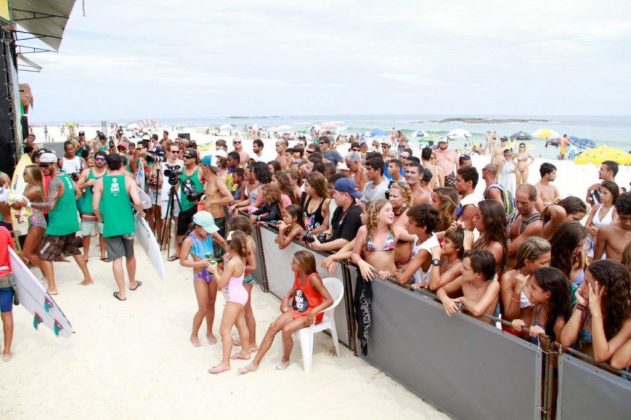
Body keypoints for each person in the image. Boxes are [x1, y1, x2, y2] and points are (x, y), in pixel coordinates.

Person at [239, 250, 333, 374]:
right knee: (273, 327)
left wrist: (314, 311)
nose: (291, 264)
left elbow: (329, 300)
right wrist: (286, 297)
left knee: (287, 330)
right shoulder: (298, 273)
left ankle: (286, 359)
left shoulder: (314, 278)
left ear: (302, 265)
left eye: (294, 262)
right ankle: (254, 363)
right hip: (299, 309)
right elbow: (295, 288)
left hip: (312, 313)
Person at [32, 152, 93, 294]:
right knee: (73, 250)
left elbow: (49, 206)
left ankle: (52, 287)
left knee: (44, 254)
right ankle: (88, 278)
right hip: (70, 222)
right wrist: (67, 205)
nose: (43, 169)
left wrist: (29, 204)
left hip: (57, 225)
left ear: (53, 164)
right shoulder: (65, 176)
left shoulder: (54, 182)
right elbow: (78, 193)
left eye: (45, 166)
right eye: (41, 166)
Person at [92, 153, 144, 301]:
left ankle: (122, 293)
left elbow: (95, 206)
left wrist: (100, 218)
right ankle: (132, 283)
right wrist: (141, 212)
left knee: (116, 259)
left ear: (107, 165)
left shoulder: (100, 182)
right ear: (121, 164)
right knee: (130, 255)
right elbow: (138, 202)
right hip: (127, 224)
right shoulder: (128, 180)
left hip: (111, 225)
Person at [560, 259, 631, 362]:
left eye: (587, 283)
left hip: (603, 376)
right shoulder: (584, 305)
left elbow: (601, 356)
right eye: (583, 281)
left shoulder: (627, 318)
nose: (581, 287)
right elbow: (565, 341)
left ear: (604, 290)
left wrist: (596, 314)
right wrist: (580, 305)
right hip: (577, 371)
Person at [206, 231, 252, 374]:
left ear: (231, 245)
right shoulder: (239, 260)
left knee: (224, 330)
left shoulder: (232, 263)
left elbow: (221, 284)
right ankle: (245, 352)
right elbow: (231, 276)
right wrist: (225, 264)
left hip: (234, 298)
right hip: (240, 294)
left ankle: (225, 363)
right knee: (241, 323)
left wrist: (214, 270)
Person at [179, 211, 226, 346]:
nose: (210, 232)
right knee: (203, 307)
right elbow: (182, 261)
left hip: (212, 272)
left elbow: (222, 241)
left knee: (212, 304)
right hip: (200, 275)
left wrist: (229, 254)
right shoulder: (189, 240)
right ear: (198, 227)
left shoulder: (210, 233)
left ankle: (209, 332)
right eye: (207, 229)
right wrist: (200, 263)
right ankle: (194, 334)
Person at [351, 199, 412, 281]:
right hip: (372, 278)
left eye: (391, 210)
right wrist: (361, 263)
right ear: (376, 214)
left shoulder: (395, 231)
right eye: (387, 210)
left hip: (391, 278)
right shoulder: (364, 230)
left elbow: (417, 238)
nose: (392, 213)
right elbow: (355, 253)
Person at [436, 249, 500, 324]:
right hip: (465, 326)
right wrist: (445, 299)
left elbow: (477, 310)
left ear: (478, 274)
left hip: (483, 331)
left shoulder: (493, 285)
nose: (460, 270)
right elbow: (441, 290)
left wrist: (463, 299)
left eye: (465, 268)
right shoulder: (463, 280)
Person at [501, 237, 552, 331]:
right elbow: (510, 315)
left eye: (548, 262)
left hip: (537, 335)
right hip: (516, 334)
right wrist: (517, 291)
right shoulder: (509, 278)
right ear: (527, 262)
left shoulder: (547, 277)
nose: (547, 266)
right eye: (543, 263)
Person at [511, 267, 571, 344]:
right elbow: (528, 336)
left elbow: (557, 354)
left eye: (533, 288)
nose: (529, 290)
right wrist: (519, 326)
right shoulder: (538, 307)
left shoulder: (559, 322)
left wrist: (544, 340)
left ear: (547, 294)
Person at [228, 216, 259, 353]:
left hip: (245, 281)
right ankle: (246, 338)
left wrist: (237, 267)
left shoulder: (247, 243)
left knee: (247, 312)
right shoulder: (243, 241)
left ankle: (252, 343)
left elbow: (253, 266)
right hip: (240, 281)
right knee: (241, 312)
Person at [308, 177, 363, 253]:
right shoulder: (339, 209)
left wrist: (320, 247)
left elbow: (345, 241)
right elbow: (333, 233)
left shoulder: (355, 212)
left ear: (346, 195)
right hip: (334, 251)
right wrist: (318, 237)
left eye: (335, 193)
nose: (333, 196)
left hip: (344, 255)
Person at [394, 204, 440, 287]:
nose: (407, 224)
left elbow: (402, 279)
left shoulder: (425, 249)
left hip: (422, 293)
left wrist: (393, 271)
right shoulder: (422, 235)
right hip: (413, 282)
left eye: (411, 222)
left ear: (423, 228)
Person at [171, 149, 204, 261]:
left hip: (197, 206)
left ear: (194, 159)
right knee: (180, 231)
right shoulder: (182, 170)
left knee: (198, 231)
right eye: (184, 156)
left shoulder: (200, 171)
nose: (184, 158)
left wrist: (202, 199)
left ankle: (198, 255)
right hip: (184, 206)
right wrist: (173, 187)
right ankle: (178, 253)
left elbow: (207, 186)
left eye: (188, 156)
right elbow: (177, 185)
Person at [76, 150, 108, 261]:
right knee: (86, 233)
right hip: (88, 207)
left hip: (104, 208)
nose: (99, 161)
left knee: (103, 233)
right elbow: (76, 187)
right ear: (94, 160)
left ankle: (103, 253)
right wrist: (86, 184)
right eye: (97, 159)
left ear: (105, 161)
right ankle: (85, 255)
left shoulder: (108, 173)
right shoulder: (86, 172)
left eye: (102, 159)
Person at [18, 165, 47, 272]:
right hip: (33, 222)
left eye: (25, 173)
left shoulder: (35, 190)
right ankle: (46, 275)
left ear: (31, 175)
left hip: (37, 222)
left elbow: (17, 204)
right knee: (36, 252)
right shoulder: (28, 187)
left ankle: (48, 273)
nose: (23, 175)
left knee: (26, 253)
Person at [507, 184, 543, 265]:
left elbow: (510, 251)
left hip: (521, 269)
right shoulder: (516, 214)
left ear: (534, 201)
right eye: (517, 202)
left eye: (524, 203)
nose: (519, 206)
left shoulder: (536, 224)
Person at [585, 180, 619, 258]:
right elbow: (586, 226)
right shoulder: (596, 207)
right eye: (600, 192)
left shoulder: (615, 210)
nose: (601, 195)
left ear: (612, 195)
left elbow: (611, 231)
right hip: (590, 242)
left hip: (605, 246)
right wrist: (599, 233)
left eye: (605, 193)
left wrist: (594, 230)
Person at [594, 192, 631, 261]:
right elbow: (596, 261)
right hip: (613, 271)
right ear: (617, 212)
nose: (627, 223)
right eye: (623, 218)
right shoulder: (606, 231)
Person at [427, 225, 465, 291]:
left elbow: (434, 286)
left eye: (446, 242)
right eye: (443, 240)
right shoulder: (445, 256)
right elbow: (433, 283)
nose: (442, 244)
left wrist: (436, 257)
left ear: (458, 248)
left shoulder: (459, 266)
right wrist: (426, 284)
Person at [550, 221, 588, 286]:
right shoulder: (549, 259)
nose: (580, 250)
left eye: (582, 245)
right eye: (577, 246)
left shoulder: (582, 257)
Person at [0, 226, 15, 360]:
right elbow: (13, 253)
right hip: (4, 277)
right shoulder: (3, 231)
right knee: (7, 314)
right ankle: (7, 351)